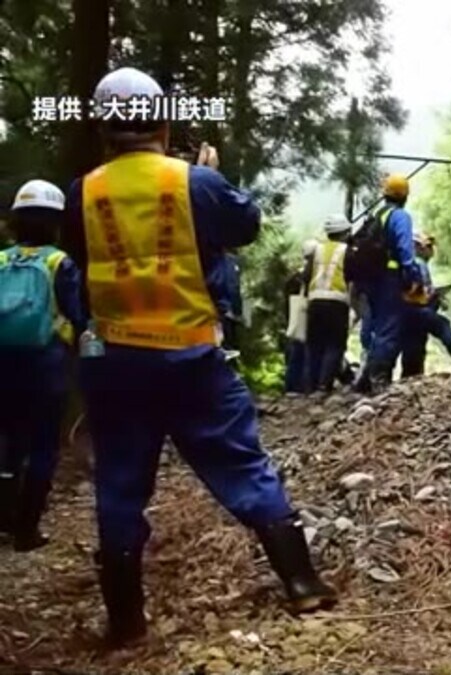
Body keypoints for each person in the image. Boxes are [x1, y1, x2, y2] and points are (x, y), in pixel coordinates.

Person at [62, 67, 336, 648]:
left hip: (115, 362)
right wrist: (208, 177)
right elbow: (246, 225)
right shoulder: (194, 182)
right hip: (190, 356)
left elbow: (79, 264)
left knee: (119, 484)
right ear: (161, 120)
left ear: (104, 130)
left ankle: (127, 622)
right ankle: (303, 582)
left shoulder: (81, 191)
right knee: (240, 464)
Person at [0, 180, 86, 552]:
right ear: (56, 222)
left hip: (3, 361)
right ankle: (26, 529)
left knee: (7, 441)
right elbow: (78, 315)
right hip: (46, 364)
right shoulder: (58, 262)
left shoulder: (1, 260)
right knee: (43, 446)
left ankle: (2, 518)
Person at [355, 173, 419, 393]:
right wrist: (412, 276)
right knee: (388, 328)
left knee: (374, 328)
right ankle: (379, 378)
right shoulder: (400, 216)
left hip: (369, 279)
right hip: (389, 279)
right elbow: (405, 250)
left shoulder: (377, 215)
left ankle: (365, 377)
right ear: (405, 196)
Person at [398, 231, 451, 376]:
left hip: (405, 312)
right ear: (418, 247)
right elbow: (421, 291)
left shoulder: (406, 263)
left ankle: (410, 375)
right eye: (428, 246)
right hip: (418, 309)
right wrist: (436, 295)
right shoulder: (418, 263)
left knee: (413, 343)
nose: (431, 251)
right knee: (443, 326)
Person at [302, 216, 352, 393]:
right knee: (335, 344)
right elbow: (352, 276)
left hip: (315, 301)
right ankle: (324, 386)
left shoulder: (317, 249)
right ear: (346, 232)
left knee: (314, 344)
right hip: (337, 301)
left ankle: (310, 386)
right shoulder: (348, 250)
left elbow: (306, 275)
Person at [282, 247, 313, 396]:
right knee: (307, 350)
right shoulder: (310, 276)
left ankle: (292, 386)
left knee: (295, 350)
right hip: (307, 317)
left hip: (294, 318)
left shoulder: (293, 278)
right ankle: (305, 385)